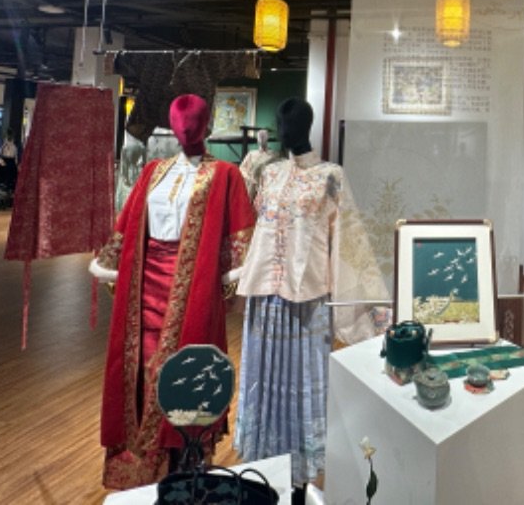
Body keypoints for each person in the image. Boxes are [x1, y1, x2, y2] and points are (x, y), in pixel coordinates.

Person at [88, 94, 255, 489]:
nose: (187, 130)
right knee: (139, 369)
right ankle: (140, 465)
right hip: (143, 284)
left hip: (194, 283)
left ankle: (183, 467)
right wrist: (111, 264)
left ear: (205, 125)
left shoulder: (225, 174)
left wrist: (230, 283)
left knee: (184, 370)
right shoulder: (153, 171)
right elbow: (129, 222)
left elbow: (240, 234)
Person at [233, 98, 389, 488]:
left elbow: (348, 242)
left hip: (307, 304)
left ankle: (301, 475)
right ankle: (264, 466)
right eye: (281, 123)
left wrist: (363, 306)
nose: (284, 130)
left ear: (307, 126)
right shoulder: (269, 174)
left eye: (291, 123)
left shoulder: (330, 176)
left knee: (302, 383)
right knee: (263, 380)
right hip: (265, 300)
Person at [238, 128, 278, 201]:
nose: (262, 139)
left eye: (264, 137)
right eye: (260, 137)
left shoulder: (273, 155)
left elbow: (277, 170)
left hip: (267, 185)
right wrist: (250, 178)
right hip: (253, 186)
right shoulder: (252, 154)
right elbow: (242, 169)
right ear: (257, 139)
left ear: (267, 138)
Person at [0, 129, 18, 210]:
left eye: (11, 135)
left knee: (9, 185)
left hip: (11, 165)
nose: (10, 137)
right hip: (3, 164)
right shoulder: (1, 143)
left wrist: (16, 164)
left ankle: (7, 203)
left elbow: (16, 156)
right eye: (9, 135)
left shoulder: (14, 145)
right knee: (0, 184)